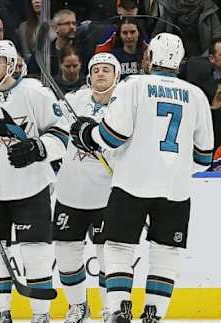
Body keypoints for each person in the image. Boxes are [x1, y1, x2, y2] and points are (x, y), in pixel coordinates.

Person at [69, 33, 214, 323]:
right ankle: (154, 314)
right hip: (175, 189)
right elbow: (204, 157)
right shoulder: (196, 94)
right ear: (180, 61)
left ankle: (121, 307)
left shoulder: (134, 85)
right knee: (166, 251)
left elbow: (112, 136)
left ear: (149, 58)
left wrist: (87, 133)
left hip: (132, 184)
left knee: (119, 247)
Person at [0, 40, 70, 323]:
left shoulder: (35, 92)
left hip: (32, 188)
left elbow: (62, 133)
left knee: (35, 253)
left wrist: (40, 148)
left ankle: (40, 314)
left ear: (11, 64)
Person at [53, 53, 121, 323]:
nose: (101, 74)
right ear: (89, 75)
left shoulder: (125, 106)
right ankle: (78, 306)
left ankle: (109, 307)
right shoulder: (72, 102)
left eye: (106, 69)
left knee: (110, 256)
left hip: (108, 196)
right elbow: (55, 135)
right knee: (66, 253)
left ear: (117, 75)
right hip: (70, 194)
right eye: (96, 70)